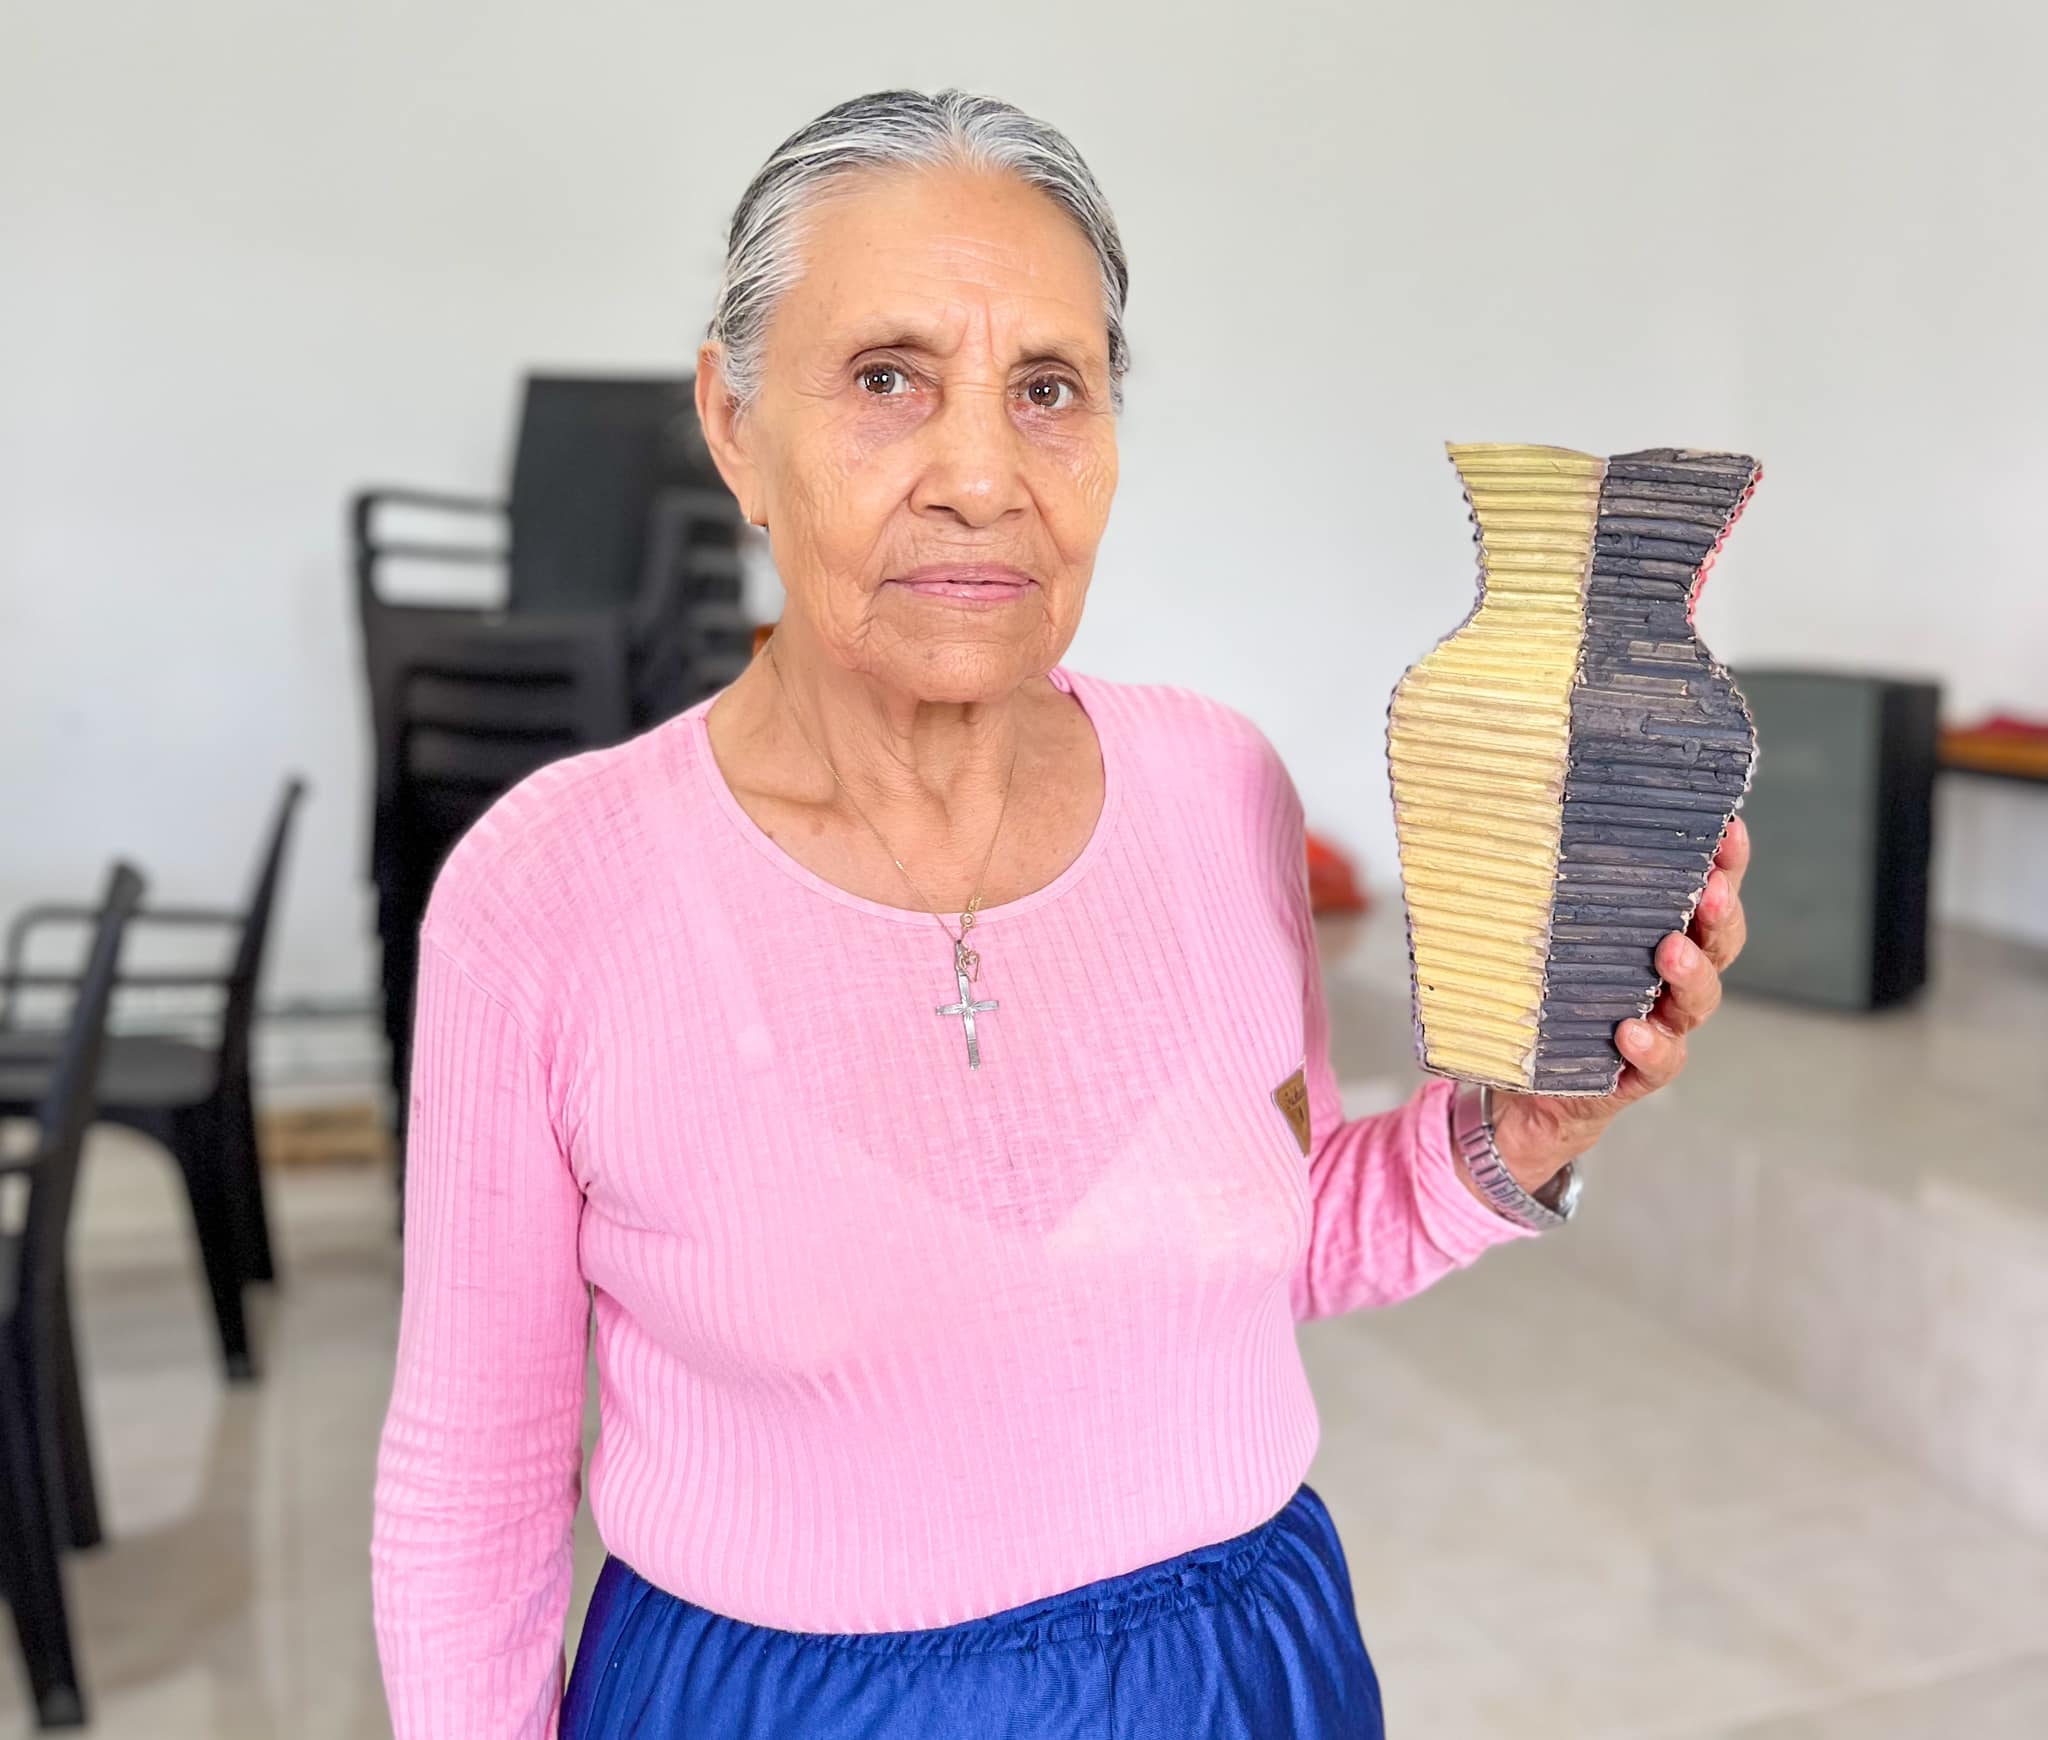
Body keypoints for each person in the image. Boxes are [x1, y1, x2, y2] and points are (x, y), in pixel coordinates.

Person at [370, 87, 1752, 1739]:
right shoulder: (551, 890)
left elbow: (1278, 1232)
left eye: (1048, 390)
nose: (982, 477)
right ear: (734, 425)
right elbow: (472, 1484)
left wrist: (1520, 1133)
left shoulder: (1219, 788)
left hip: (1242, 1680)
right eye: (887, 379)